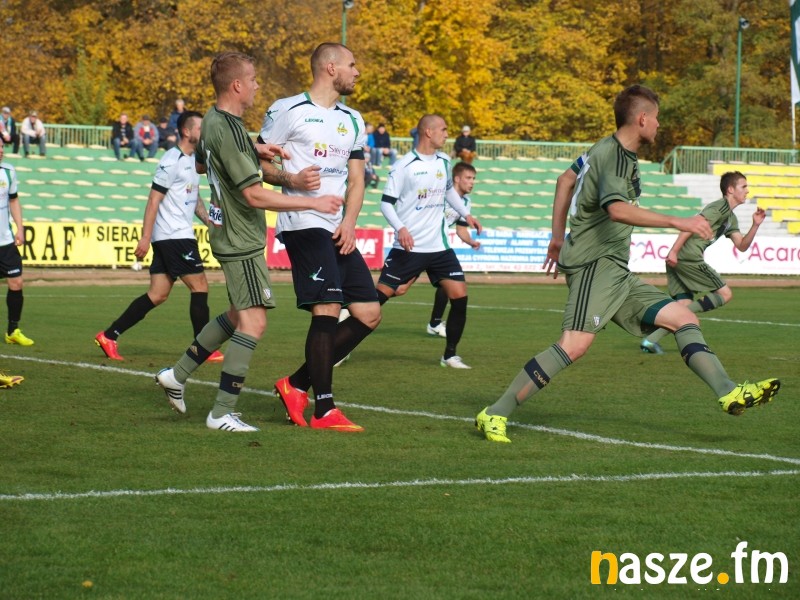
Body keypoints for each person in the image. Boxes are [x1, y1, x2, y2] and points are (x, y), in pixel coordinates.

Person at [475, 85, 780, 443]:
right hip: (593, 264)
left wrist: (557, 238)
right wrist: (677, 221)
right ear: (642, 118)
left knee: (684, 318)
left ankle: (728, 391)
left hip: (615, 270)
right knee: (573, 344)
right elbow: (616, 210)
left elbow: (565, 180)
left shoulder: (603, 149)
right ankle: (495, 413)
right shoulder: (615, 156)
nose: (660, 125)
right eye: (657, 118)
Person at [155, 51, 342, 433]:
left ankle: (177, 375)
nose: (258, 85)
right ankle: (221, 412)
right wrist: (313, 201)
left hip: (233, 233)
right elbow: (254, 195)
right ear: (237, 85)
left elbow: (212, 159)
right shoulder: (225, 128)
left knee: (238, 315)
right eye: (253, 79)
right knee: (254, 323)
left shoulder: (217, 120)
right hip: (240, 238)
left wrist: (255, 151)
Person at [259, 42, 382, 432]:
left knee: (368, 313)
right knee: (327, 307)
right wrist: (291, 179)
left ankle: (296, 384)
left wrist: (350, 222)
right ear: (330, 68)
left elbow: (357, 180)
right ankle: (324, 409)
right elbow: (261, 165)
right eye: (352, 64)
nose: (357, 71)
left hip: (337, 226)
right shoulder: (287, 109)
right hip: (302, 221)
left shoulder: (354, 119)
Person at [95, 110, 223, 363]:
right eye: (200, 128)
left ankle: (109, 335)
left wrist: (209, 221)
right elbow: (154, 199)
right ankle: (202, 348)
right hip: (174, 236)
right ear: (186, 131)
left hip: (174, 235)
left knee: (158, 294)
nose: (204, 132)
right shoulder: (171, 160)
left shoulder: (191, 160)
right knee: (200, 286)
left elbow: (193, 197)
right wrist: (145, 237)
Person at [376, 114, 482, 369]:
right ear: (428, 132)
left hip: (439, 246)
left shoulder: (444, 160)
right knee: (384, 295)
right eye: (443, 130)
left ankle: (449, 355)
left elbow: (448, 191)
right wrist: (401, 228)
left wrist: (466, 214)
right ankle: (345, 327)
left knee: (460, 295)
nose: (447, 134)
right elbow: (386, 204)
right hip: (411, 246)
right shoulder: (404, 165)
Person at [640, 171, 765, 354]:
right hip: (689, 257)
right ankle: (653, 322)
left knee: (683, 307)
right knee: (725, 294)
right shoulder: (719, 208)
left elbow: (741, 246)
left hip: (680, 257)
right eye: (744, 186)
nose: (747, 190)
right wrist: (674, 251)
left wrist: (755, 225)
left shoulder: (730, 217)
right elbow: (691, 224)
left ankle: (650, 340)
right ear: (731, 189)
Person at [0, 138, 34, 346]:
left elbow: (13, 200)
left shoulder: (8, 171)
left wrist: (20, 228)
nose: (1, 150)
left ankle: (13, 330)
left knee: (17, 282)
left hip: (5, 241)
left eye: (2, 146)